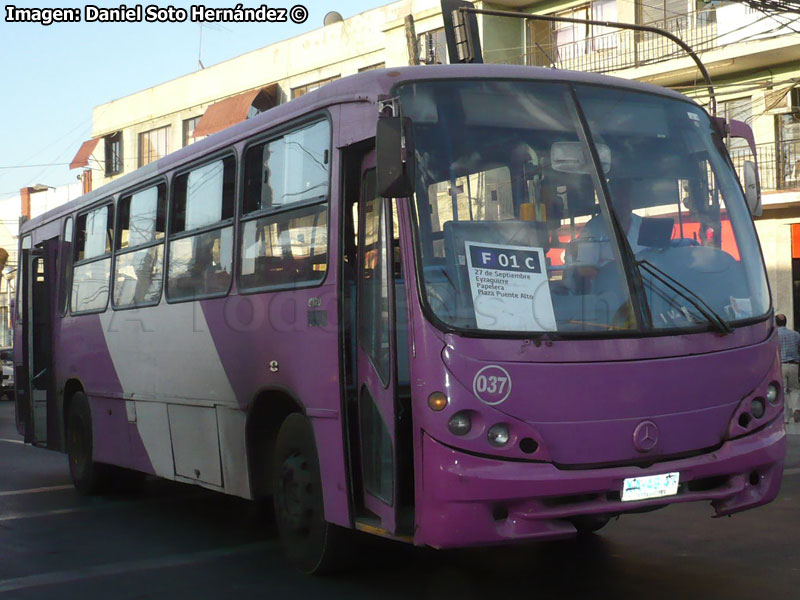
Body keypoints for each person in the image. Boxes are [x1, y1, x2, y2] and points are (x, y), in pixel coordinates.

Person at [776, 313, 800, 423]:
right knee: (795, 389)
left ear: (776, 323)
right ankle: (796, 409)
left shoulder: (775, 335)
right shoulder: (796, 334)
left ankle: (786, 417)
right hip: (794, 364)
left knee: (784, 391)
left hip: (781, 365)